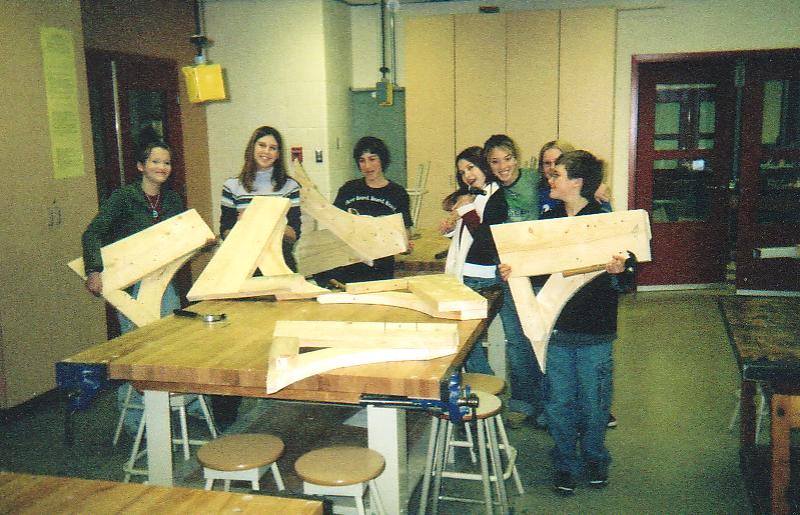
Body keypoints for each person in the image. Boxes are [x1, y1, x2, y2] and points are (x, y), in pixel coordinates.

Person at [501, 149, 632, 495]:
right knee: (558, 403)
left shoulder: (606, 223)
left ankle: (594, 459)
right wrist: (515, 271)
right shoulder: (550, 221)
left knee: (594, 403)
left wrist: (621, 269)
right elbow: (538, 270)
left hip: (595, 333)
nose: (550, 178)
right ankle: (564, 463)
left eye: (556, 174)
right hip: (556, 329)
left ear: (577, 182)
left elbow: (630, 277)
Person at [82, 140, 200, 434]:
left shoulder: (172, 200)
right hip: (130, 287)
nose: (162, 168)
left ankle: (186, 404)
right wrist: (93, 270)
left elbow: (180, 237)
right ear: (140, 166)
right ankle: (135, 420)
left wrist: (200, 242)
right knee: (137, 351)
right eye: (156, 162)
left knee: (172, 345)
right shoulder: (123, 198)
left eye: (167, 163)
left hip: (162, 283)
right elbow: (92, 234)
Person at [482, 134, 546, 428]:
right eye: (495, 161)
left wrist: (600, 188)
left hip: (543, 276)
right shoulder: (493, 197)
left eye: (507, 159)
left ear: (516, 158)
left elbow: (577, 184)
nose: (503, 166)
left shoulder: (537, 181)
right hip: (510, 278)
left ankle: (549, 405)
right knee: (518, 343)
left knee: (545, 340)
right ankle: (523, 403)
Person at [439, 146, 507, 374]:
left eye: (471, 167)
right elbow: (466, 232)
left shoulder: (496, 197)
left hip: (480, 277)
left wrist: (466, 210)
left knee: (466, 341)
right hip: (464, 273)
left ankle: (485, 386)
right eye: (462, 171)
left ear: (484, 165)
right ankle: (482, 387)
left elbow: (486, 242)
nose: (467, 175)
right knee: (466, 340)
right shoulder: (471, 195)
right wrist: (450, 227)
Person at [314, 136, 413, 286]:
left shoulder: (397, 193)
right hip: (347, 265)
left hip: (379, 267)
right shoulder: (349, 189)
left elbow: (405, 232)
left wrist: (403, 245)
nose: (367, 166)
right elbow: (334, 224)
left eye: (372, 159)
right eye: (362, 160)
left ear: (382, 160)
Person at [220, 125, 301, 271]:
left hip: (280, 263)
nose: (266, 151)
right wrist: (242, 225)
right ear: (252, 148)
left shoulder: (291, 187)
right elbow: (225, 231)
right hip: (242, 265)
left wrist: (258, 219)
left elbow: (293, 235)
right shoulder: (231, 186)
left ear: (278, 154)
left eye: (273, 148)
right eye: (262, 145)